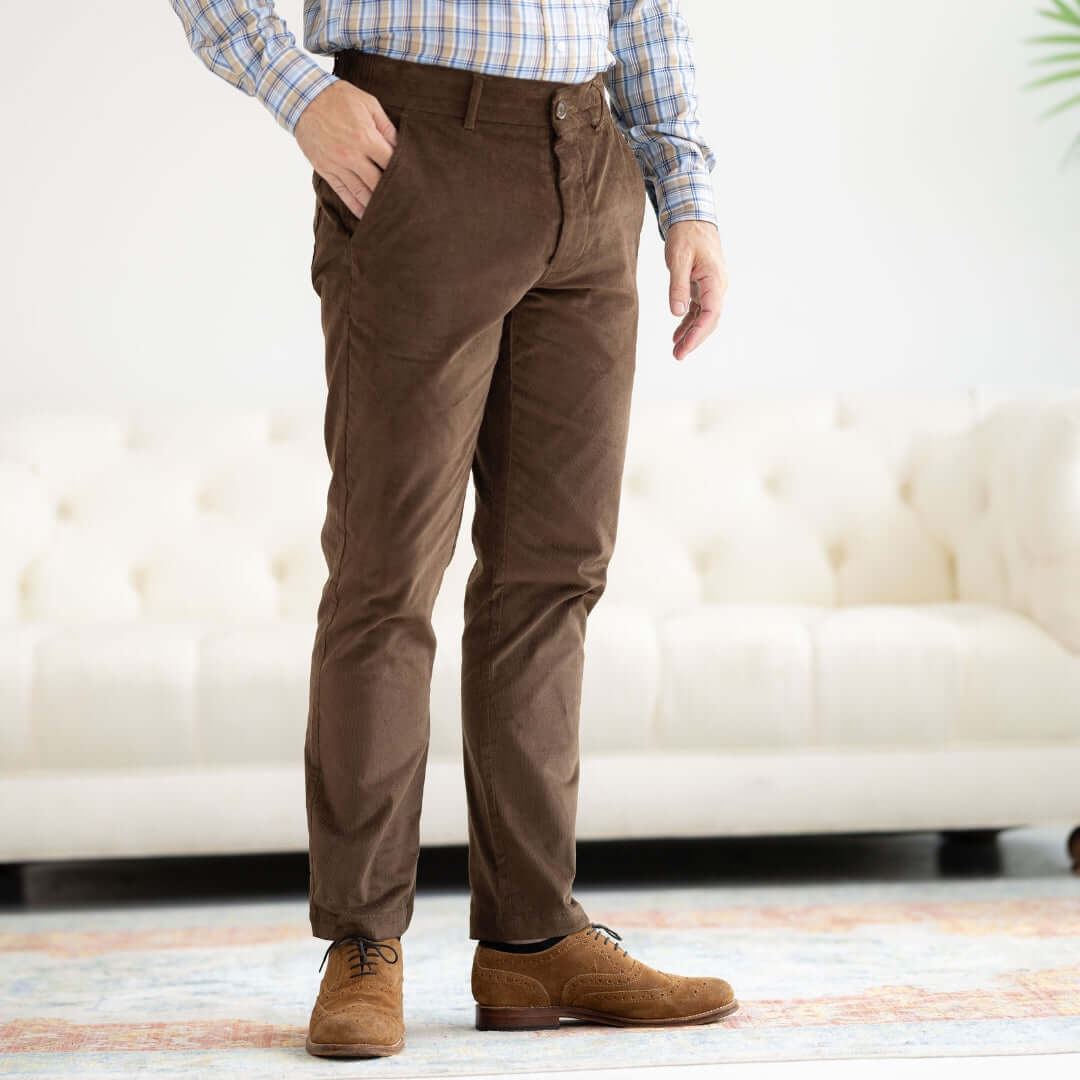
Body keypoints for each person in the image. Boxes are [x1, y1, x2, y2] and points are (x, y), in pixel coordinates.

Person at [169, 0, 735, 1059]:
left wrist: (686, 193)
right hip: (414, 149)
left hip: (592, 159)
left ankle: (532, 939)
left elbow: (644, 9)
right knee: (387, 577)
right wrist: (299, 93)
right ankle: (361, 942)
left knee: (554, 576)